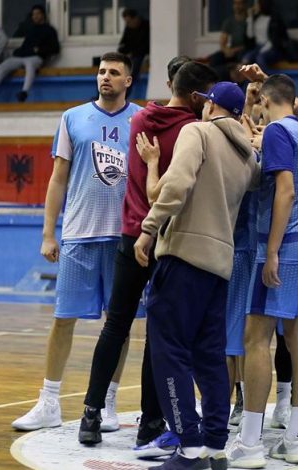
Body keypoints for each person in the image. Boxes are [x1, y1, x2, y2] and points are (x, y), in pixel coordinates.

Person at [77, 61, 219, 453]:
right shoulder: (194, 131)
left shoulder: (141, 118)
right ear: (196, 97)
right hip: (164, 239)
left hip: (129, 233)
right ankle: (150, 422)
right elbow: (171, 193)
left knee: (115, 326)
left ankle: (90, 413)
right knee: (160, 335)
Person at [132, 80, 261, 470]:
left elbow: (177, 184)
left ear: (209, 106)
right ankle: (215, 444)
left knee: (167, 350)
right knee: (209, 357)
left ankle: (188, 446)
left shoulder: (197, 132)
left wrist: (148, 228)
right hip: (220, 266)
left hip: (184, 257)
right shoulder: (249, 158)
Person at [10, 52, 141, 434]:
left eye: (114, 73)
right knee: (62, 319)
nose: (106, 77)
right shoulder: (72, 118)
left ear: (128, 81)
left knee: (119, 324)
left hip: (123, 238)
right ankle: (49, 401)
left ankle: (109, 402)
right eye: (101, 71)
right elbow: (57, 179)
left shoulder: (141, 119)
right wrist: (48, 232)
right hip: (78, 235)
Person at [226, 74, 298, 467]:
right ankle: (296, 441)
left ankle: (250, 445)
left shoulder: (280, 132)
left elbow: (284, 190)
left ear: (265, 99)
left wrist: (271, 250)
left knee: (255, 339)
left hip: (282, 247)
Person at [0, 4, 59, 103]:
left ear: (43, 15)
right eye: (33, 14)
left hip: (36, 58)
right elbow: (24, 45)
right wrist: (16, 52)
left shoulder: (49, 30)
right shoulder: (30, 29)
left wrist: (40, 50)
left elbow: (56, 48)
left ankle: (24, 93)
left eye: (38, 14)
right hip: (22, 56)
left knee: (30, 65)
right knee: (2, 66)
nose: (35, 16)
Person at [241, 0, 289, 72]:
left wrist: (262, 51)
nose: (254, 7)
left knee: (260, 58)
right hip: (257, 47)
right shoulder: (256, 18)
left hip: (272, 48)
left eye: (256, 4)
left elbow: (274, 40)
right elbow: (250, 35)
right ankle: (248, 83)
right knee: (246, 59)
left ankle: (266, 81)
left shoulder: (274, 19)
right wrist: (250, 17)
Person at [209, 0, 250, 80]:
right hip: (233, 51)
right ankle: (214, 85)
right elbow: (222, 42)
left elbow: (251, 43)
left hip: (245, 50)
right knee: (215, 58)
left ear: (245, 5)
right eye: (235, 3)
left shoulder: (249, 20)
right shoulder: (229, 21)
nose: (237, 6)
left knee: (241, 58)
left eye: (240, 3)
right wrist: (226, 50)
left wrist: (234, 50)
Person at [118, 8, 150, 98]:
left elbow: (146, 46)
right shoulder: (128, 28)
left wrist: (132, 53)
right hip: (130, 54)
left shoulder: (146, 26)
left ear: (135, 19)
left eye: (129, 21)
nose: (128, 24)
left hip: (140, 55)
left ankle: (124, 95)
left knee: (132, 70)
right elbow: (123, 44)